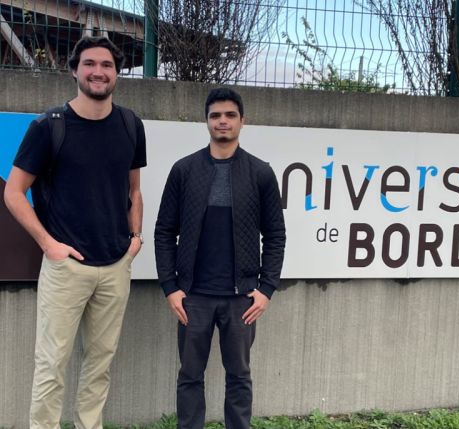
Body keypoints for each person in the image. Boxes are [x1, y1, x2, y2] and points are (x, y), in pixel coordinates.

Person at [3, 36, 147, 429]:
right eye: (89, 64)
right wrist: (49, 244)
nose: (98, 71)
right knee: (51, 365)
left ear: (117, 73)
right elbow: (14, 193)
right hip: (66, 268)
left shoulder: (131, 125)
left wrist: (135, 239)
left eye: (106, 65)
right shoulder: (50, 127)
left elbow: (134, 191)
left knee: (99, 364)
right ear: (74, 71)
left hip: (116, 264)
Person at [154, 87, 286, 429]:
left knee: (239, 376)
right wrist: (170, 287)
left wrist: (266, 288)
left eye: (229, 115)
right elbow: (164, 231)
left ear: (243, 120)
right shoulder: (184, 170)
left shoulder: (260, 173)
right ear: (206, 121)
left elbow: (275, 236)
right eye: (215, 115)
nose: (222, 121)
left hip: (241, 299)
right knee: (190, 376)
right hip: (193, 296)